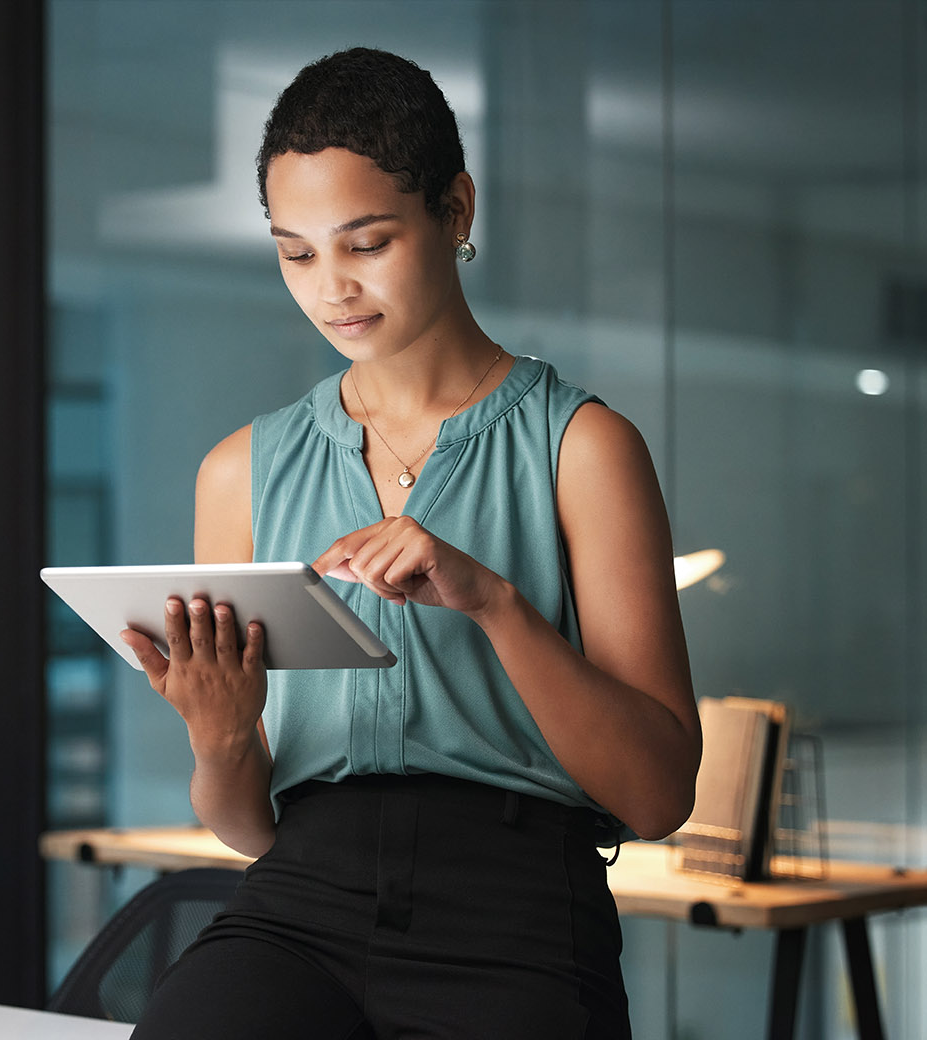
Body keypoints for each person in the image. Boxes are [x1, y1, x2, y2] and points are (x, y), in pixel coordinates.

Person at [119, 46, 700, 1039]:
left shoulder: (582, 449)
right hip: (298, 900)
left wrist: (493, 601)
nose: (330, 286)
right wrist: (218, 733)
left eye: (366, 241)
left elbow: (655, 795)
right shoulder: (239, 471)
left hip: (515, 912)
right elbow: (247, 825)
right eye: (295, 251)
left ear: (455, 212)